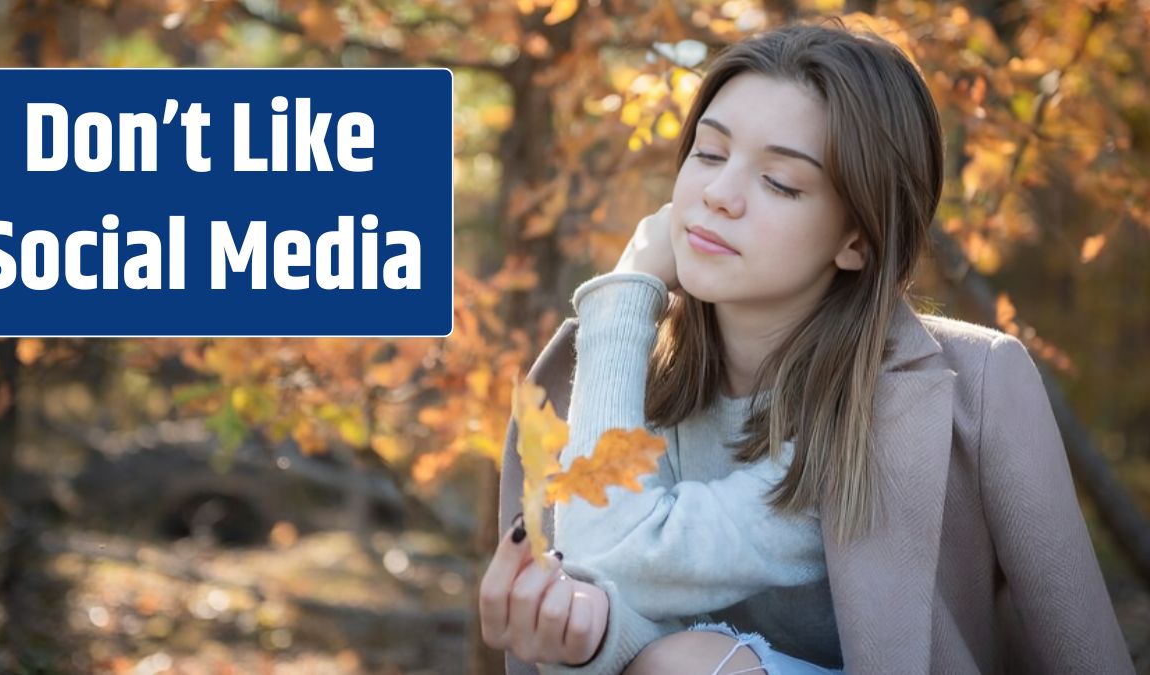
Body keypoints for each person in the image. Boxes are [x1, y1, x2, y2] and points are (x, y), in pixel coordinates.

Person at [480, 18, 1134, 675]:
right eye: (709, 153)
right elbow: (606, 601)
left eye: (781, 182)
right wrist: (590, 642)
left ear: (857, 240)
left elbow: (1084, 652)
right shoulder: (610, 378)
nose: (718, 195)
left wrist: (626, 290)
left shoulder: (980, 384)